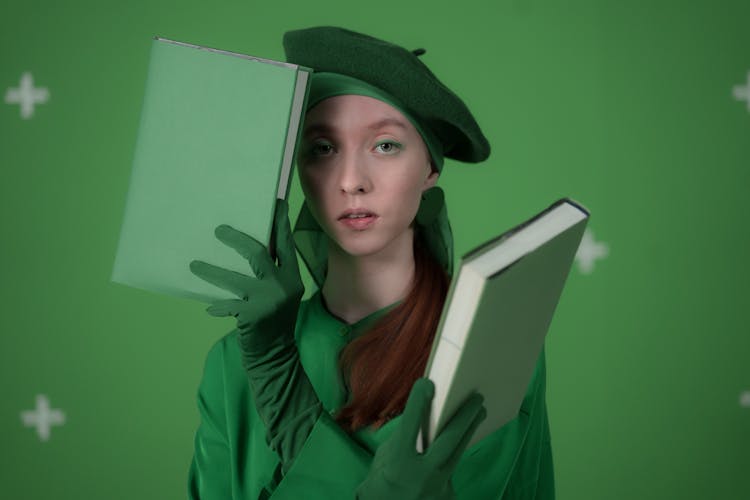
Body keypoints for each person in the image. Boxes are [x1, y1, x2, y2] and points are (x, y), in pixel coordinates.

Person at [188, 26, 554, 499]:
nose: (351, 181)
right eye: (323, 148)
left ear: (430, 169)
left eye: (385, 145)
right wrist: (268, 357)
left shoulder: (490, 350)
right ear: (296, 168)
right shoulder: (233, 360)